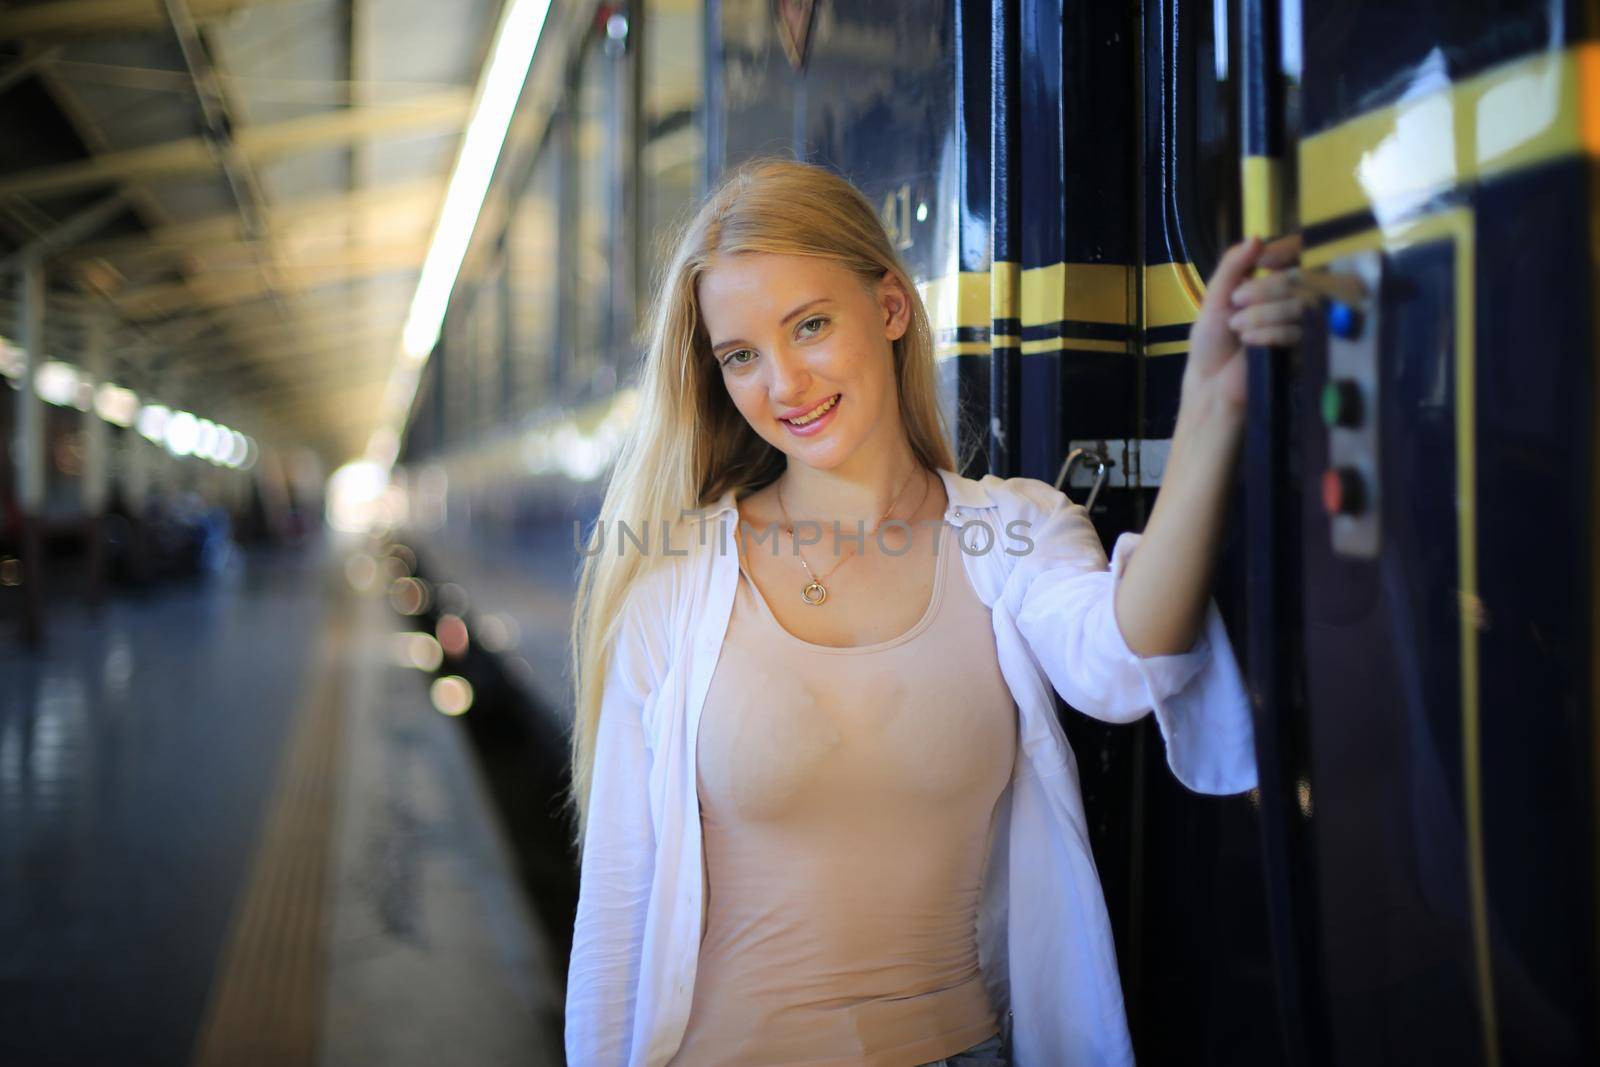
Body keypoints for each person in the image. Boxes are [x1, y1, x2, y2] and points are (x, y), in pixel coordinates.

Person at [565, 158, 1305, 1066]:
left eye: (810, 326)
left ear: (889, 309)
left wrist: (1212, 410)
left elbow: (1125, 658)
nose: (785, 383)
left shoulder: (1012, 532)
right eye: (742, 356)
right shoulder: (674, 587)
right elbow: (615, 918)